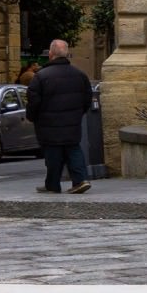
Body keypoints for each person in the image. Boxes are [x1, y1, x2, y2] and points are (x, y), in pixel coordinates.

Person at [25, 40, 94, 195]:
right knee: (73, 149)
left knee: (52, 153)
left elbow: (33, 101)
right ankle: (80, 180)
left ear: (50, 54)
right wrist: (78, 113)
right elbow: (87, 98)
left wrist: (32, 117)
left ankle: (53, 184)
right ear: (66, 54)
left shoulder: (41, 76)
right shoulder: (80, 75)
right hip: (72, 122)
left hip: (48, 124)